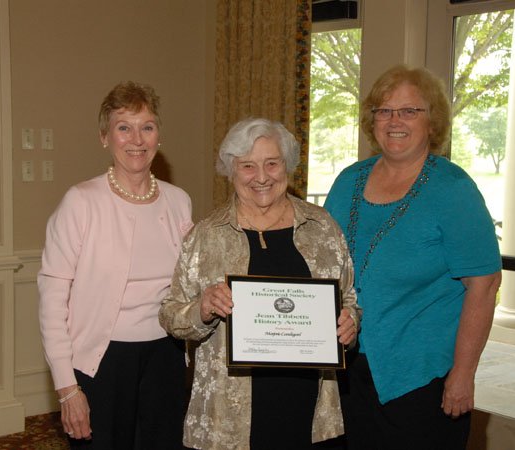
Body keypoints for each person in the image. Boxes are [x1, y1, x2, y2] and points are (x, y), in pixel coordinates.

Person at [324, 64, 502, 449]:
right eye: (384, 111)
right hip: (343, 369)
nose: (394, 121)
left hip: (421, 378)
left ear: (432, 121)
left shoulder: (453, 190)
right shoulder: (347, 181)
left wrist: (464, 374)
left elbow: (484, 286)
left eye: (409, 111)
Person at [158, 117, 361, 450]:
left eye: (272, 163)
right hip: (230, 411)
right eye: (248, 166)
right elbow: (170, 314)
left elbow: (348, 298)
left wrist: (350, 322)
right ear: (231, 171)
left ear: (288, 166)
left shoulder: (322, 227)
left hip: (308, 404)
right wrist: (203, 309)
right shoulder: (207, 235)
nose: (262, 177)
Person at [38, 81, 193, 449]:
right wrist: (66, 389)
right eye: (124, 127)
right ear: (105, 138)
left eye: (147, 126)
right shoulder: (81, 202)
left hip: (166, 357)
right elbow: (51, 300)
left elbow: (189, 282)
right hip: (101, 361)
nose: (136, 139)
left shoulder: (179, 201)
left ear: (159, 135)